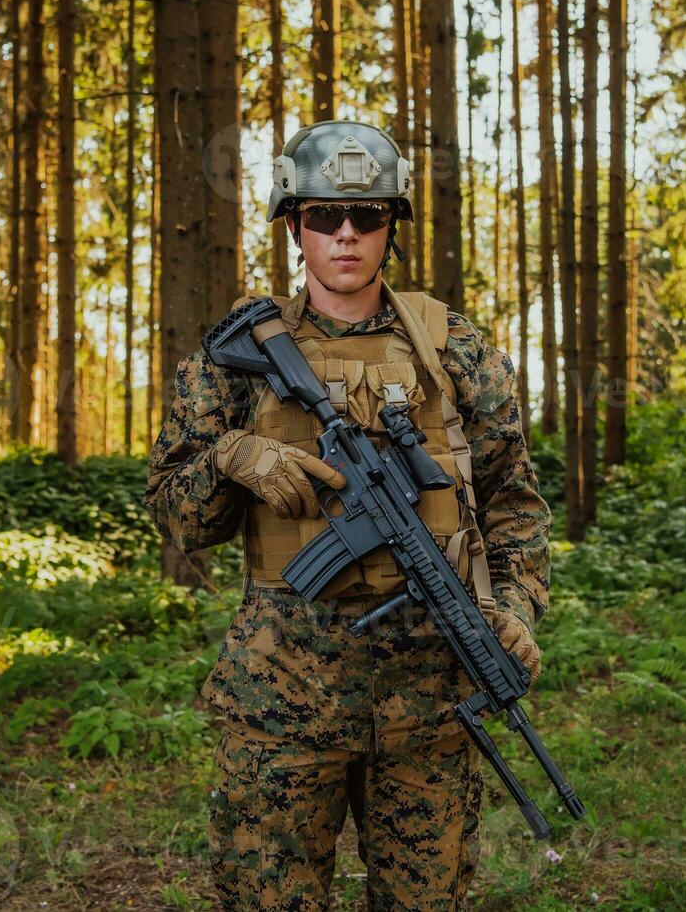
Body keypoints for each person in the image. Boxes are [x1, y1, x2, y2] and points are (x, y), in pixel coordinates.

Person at [144, 119, 552, 909]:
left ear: (392, 226)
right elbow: (178, 515)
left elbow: (513, 504)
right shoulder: (241, 354)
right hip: (281, 700)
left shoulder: (456, 350)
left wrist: (516, 612)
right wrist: (234, 457)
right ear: (293, 224)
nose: (345, 235)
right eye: (324, 215)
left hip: (431, 703)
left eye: (367, 217)